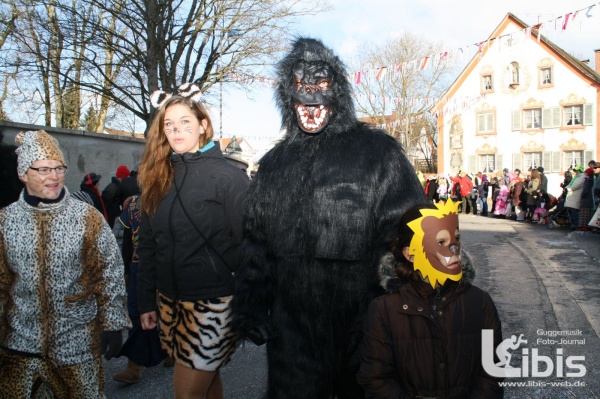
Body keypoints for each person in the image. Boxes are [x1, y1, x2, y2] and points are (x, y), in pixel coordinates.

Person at [232, 38, 426, 399]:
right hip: (293, 329)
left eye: (321, 83)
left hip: (364, 321)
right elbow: (255, 241)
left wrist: (419, 284)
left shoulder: (378, 152)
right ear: (287, 96)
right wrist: (251, 306)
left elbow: (413, 223)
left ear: (338, 91)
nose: (310, 95)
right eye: (299, 84)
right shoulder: (274, 164)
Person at [136, 86, 249, 399]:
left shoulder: (229, 177)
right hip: (169, 303)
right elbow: (147, 246)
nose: (176, 130)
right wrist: (146, 300)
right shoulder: (156, 176)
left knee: (186, 392)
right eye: (169, 124)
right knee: (206, 384)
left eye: (185, 122)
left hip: (214, 306)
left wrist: (255, 304)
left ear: (203, 125)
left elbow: (252, 247)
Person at [0, 130, 130, 398]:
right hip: (19, 346)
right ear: (23, 173)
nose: (54, 176)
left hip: (76, 343)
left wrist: (113, 323)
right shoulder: (5, 221)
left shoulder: (86, 217)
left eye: (59, 168)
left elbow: (109, 272)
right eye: (44, 169)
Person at [356, 200, 504, 398]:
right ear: (410, 254)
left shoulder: (479, 301)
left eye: (455, 240)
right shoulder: (385, 309)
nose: (453, 249)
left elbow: (493, 371)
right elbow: (375, 378)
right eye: (440, 242)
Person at [565, 165, 585, 230]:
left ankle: (575, 224)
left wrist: (568, 188)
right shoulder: (577, 176)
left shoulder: (582, 176)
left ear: (580, 170)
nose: (575, 171)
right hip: (572, 195)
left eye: (577, 170)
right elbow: (571, 184)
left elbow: (576, 185)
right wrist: (566, 188)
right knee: (572, 210)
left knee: (574, 210)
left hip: (575, 195)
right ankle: (573, 223)